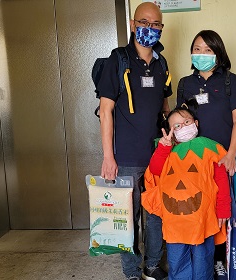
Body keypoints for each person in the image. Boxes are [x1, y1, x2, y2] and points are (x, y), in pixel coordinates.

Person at [96, 2, 170, 279]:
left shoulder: (162, 63)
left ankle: (152, 266)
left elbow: (165, 106)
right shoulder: (118, 60)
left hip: (156, 157)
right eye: (144, 22)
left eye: (155, 24)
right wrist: (108, 157)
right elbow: (105, 111)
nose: (149, 28)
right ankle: (131, 271)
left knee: (156, 218)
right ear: (132, 24)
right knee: (127, 220)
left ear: (161, 28)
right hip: (125, 158)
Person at [176, 29, 236, 279]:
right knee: (197, 210)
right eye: (197, 49)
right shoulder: (185, 83)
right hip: (195, 161)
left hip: (221, 160)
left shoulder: (232, 81)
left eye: (208, 49)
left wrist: (230, 155)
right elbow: (181, 120)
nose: (202, 54)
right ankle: (197, 257)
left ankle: (220, 259)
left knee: (222, 211)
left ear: (218, 53)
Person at [143, 102, 231, 280]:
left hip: (202, 218)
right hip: (175, 220)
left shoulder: (211, 148)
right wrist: (164, 147)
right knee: (177, 259)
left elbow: (222, 181)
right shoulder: (168, 151)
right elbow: (155, 170)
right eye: (176, 126)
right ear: (170, 131)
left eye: (186, 122)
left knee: (203, 259)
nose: (182, 127)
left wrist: (223, 208)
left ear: (196, 123)